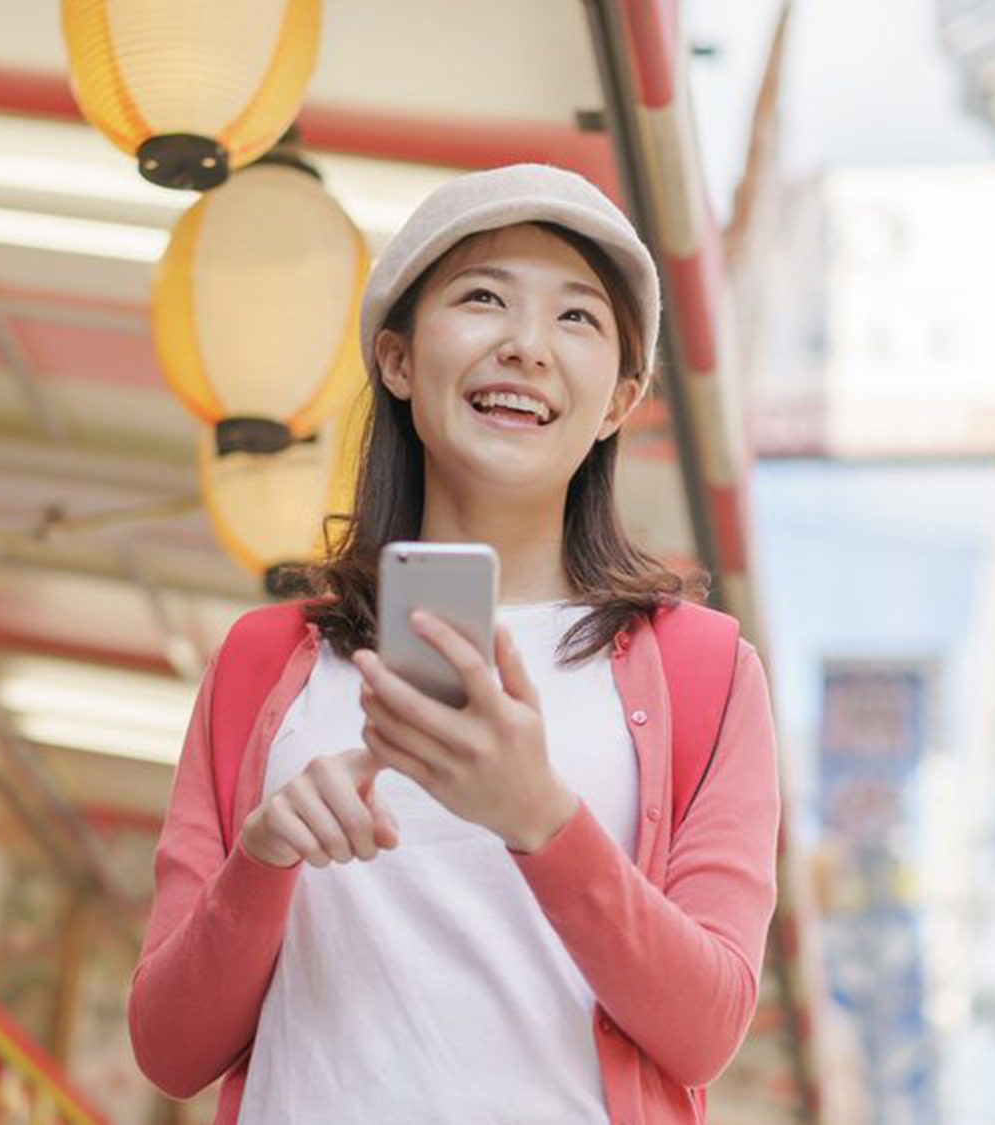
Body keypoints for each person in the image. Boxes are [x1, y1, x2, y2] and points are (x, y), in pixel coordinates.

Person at [129, 163, 780, 1124]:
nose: (526, 346)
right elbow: (169, 1049)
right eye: (483, 298)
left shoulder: (704, 670)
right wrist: (260, 862)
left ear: (618, 403)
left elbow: (707, 1028)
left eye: (577, 318)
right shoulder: (264, 662)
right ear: (396, 359)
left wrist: (540, 818)